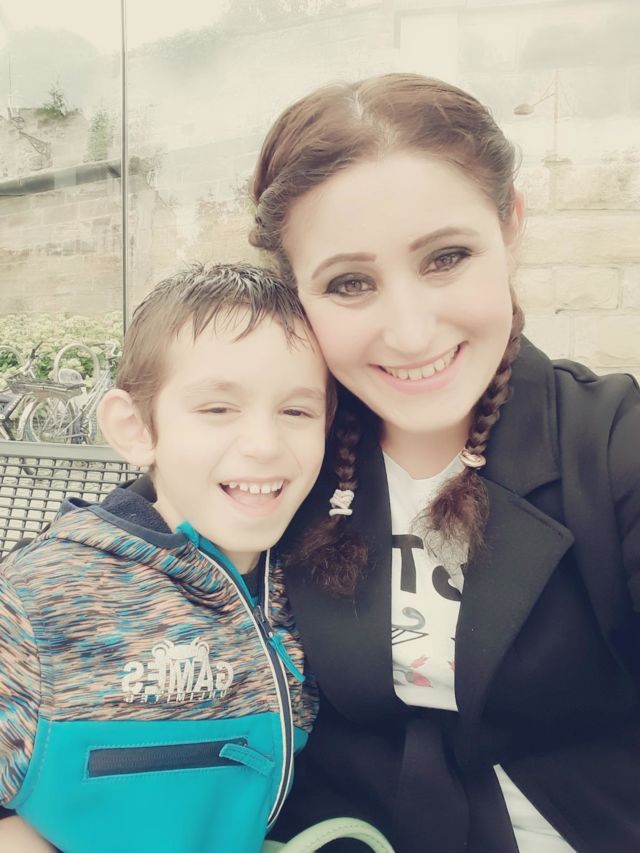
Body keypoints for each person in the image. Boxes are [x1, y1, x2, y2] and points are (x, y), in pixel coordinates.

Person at [250, 73, 640, 853]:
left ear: (511, 226)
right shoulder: (275, 452)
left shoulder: (611, 447)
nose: (410, 332)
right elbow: (105, 578)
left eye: (446, 257)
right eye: (350, 282)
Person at [0, 263, 331, 853]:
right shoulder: (39, 601)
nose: (264, 444)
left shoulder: (313, 580)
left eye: (297, 411)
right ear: (135, 428)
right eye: (218, 408)